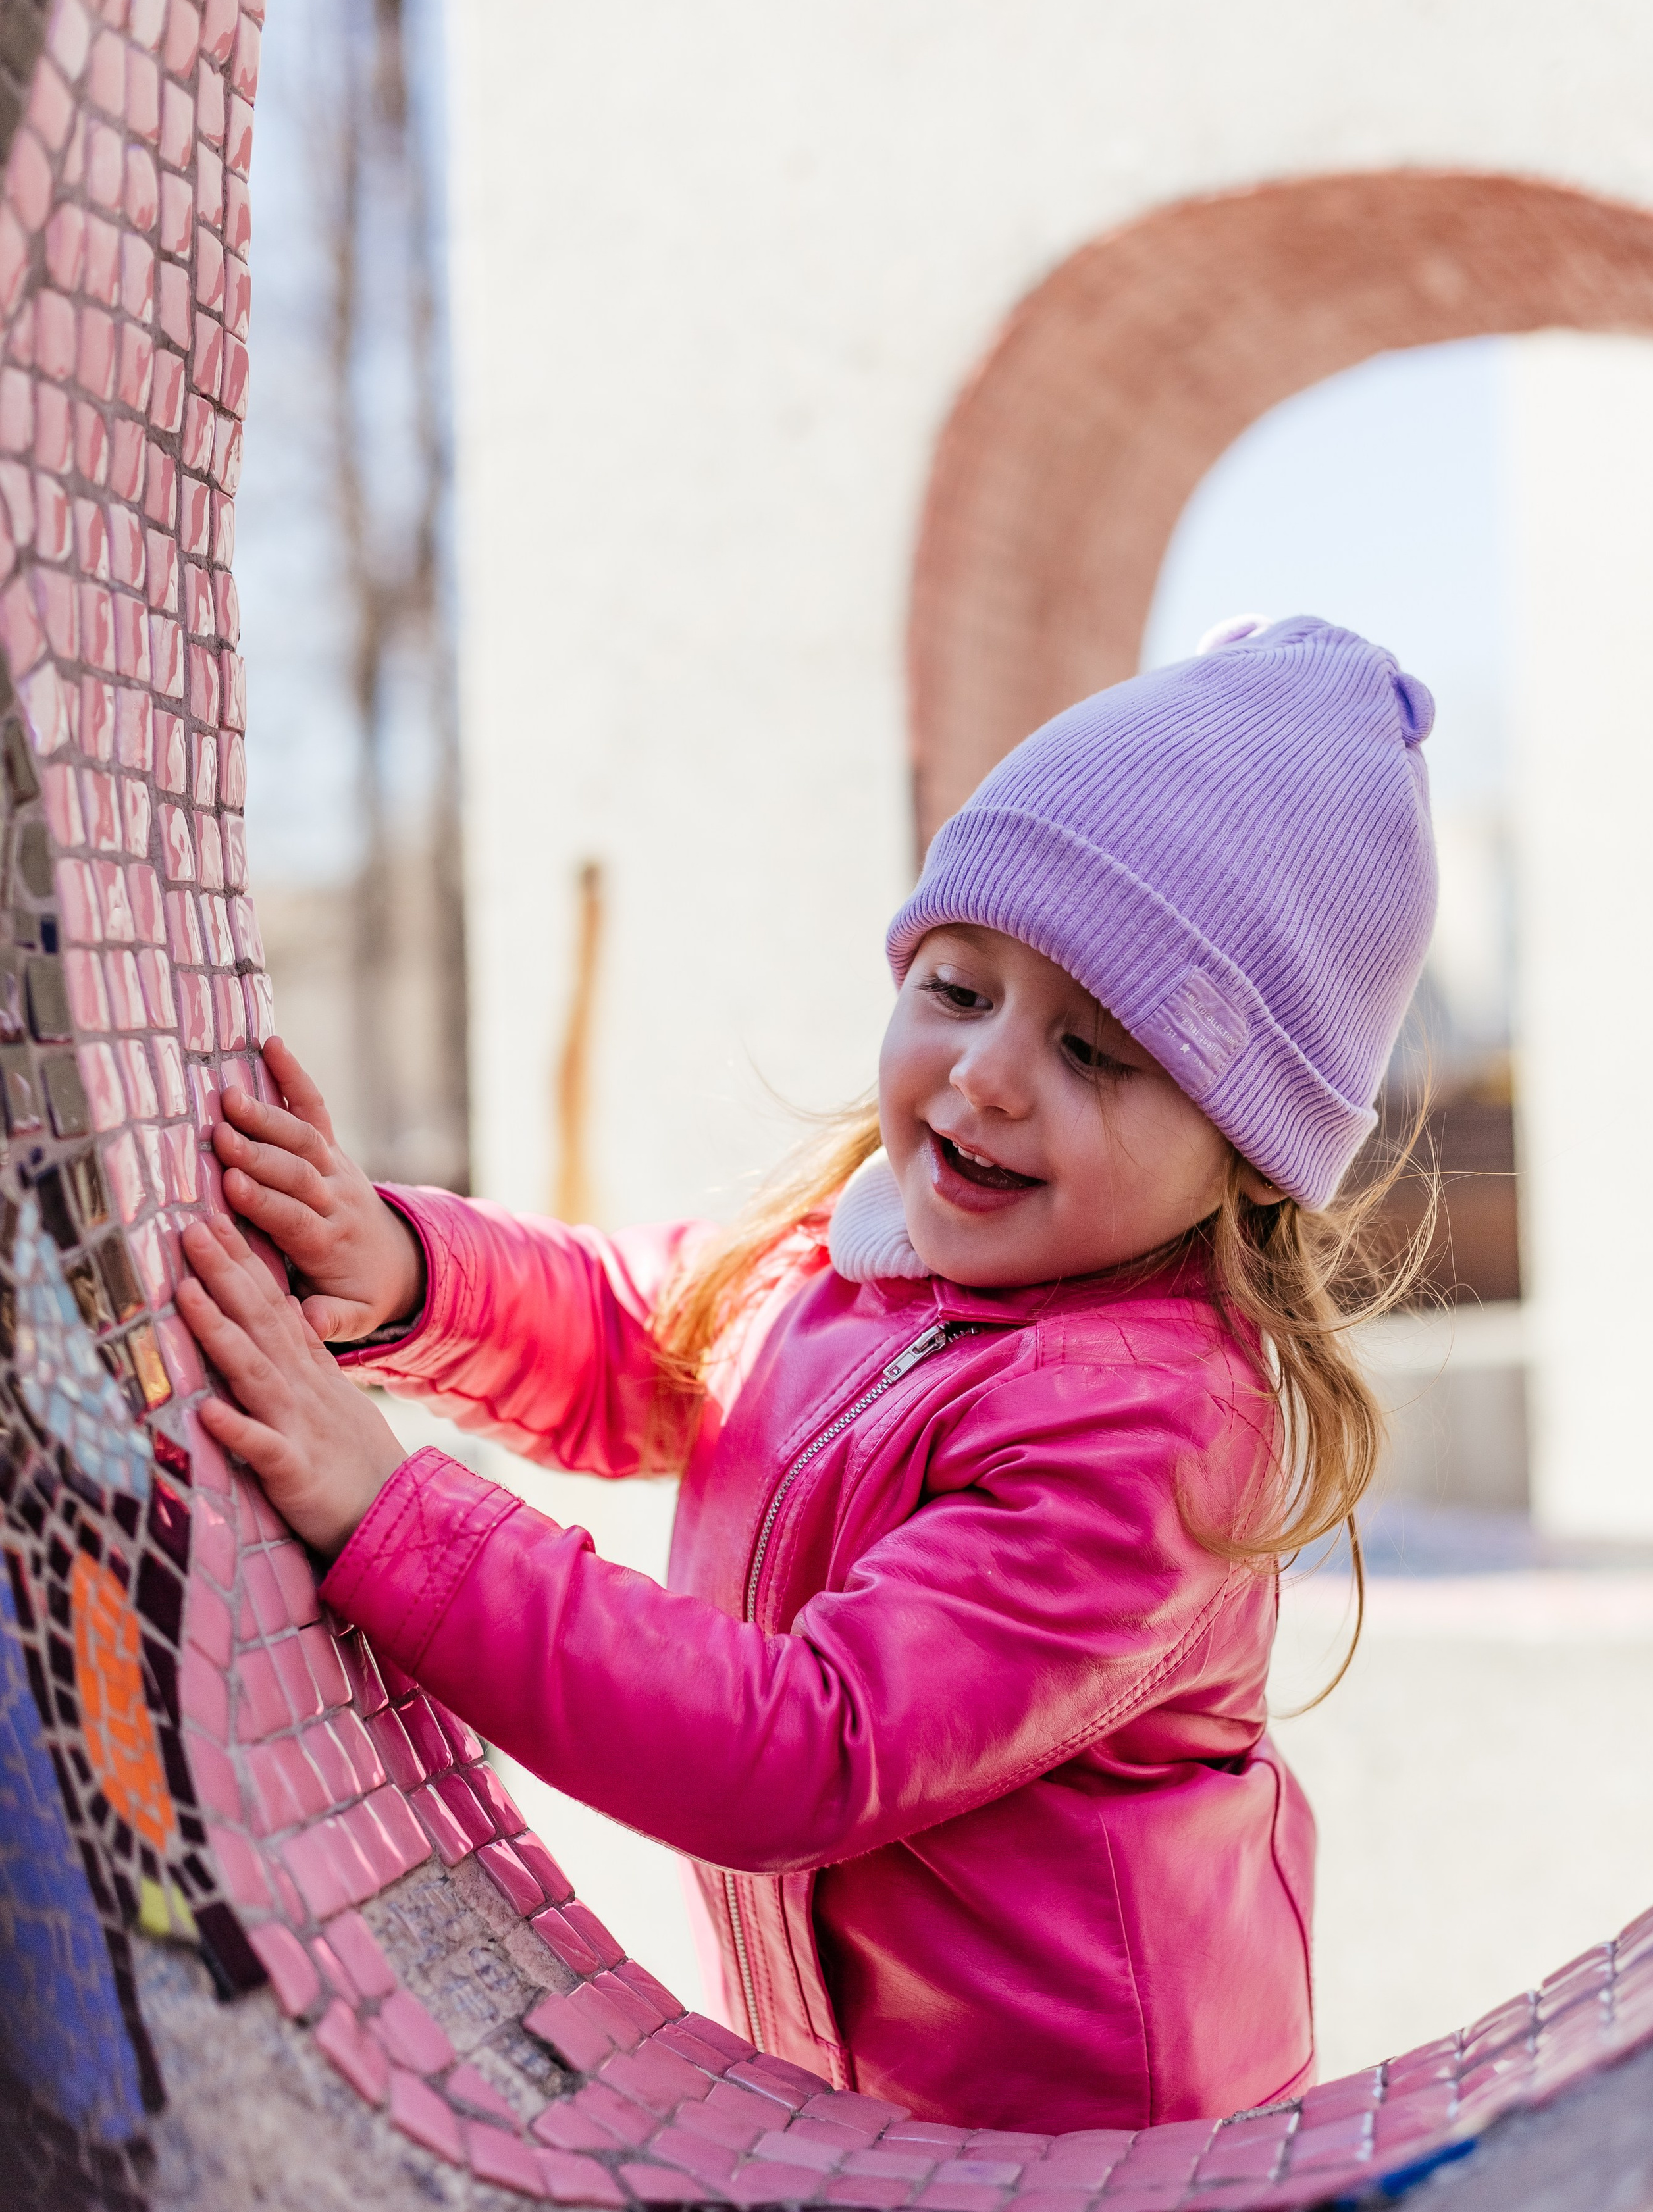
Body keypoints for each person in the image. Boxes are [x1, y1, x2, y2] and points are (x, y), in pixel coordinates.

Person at [178, 613, 1438, 2135]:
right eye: (959, 989)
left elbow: (806, 1745)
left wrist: (395, 1520)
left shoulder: (1153, 1423)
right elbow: (646, 1333)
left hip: (1089, 2160)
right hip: (860, 2100)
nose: (983, 1073)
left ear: (1248, 1159)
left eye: (1095, 1051)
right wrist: (404, 1267)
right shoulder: (859, 1243)